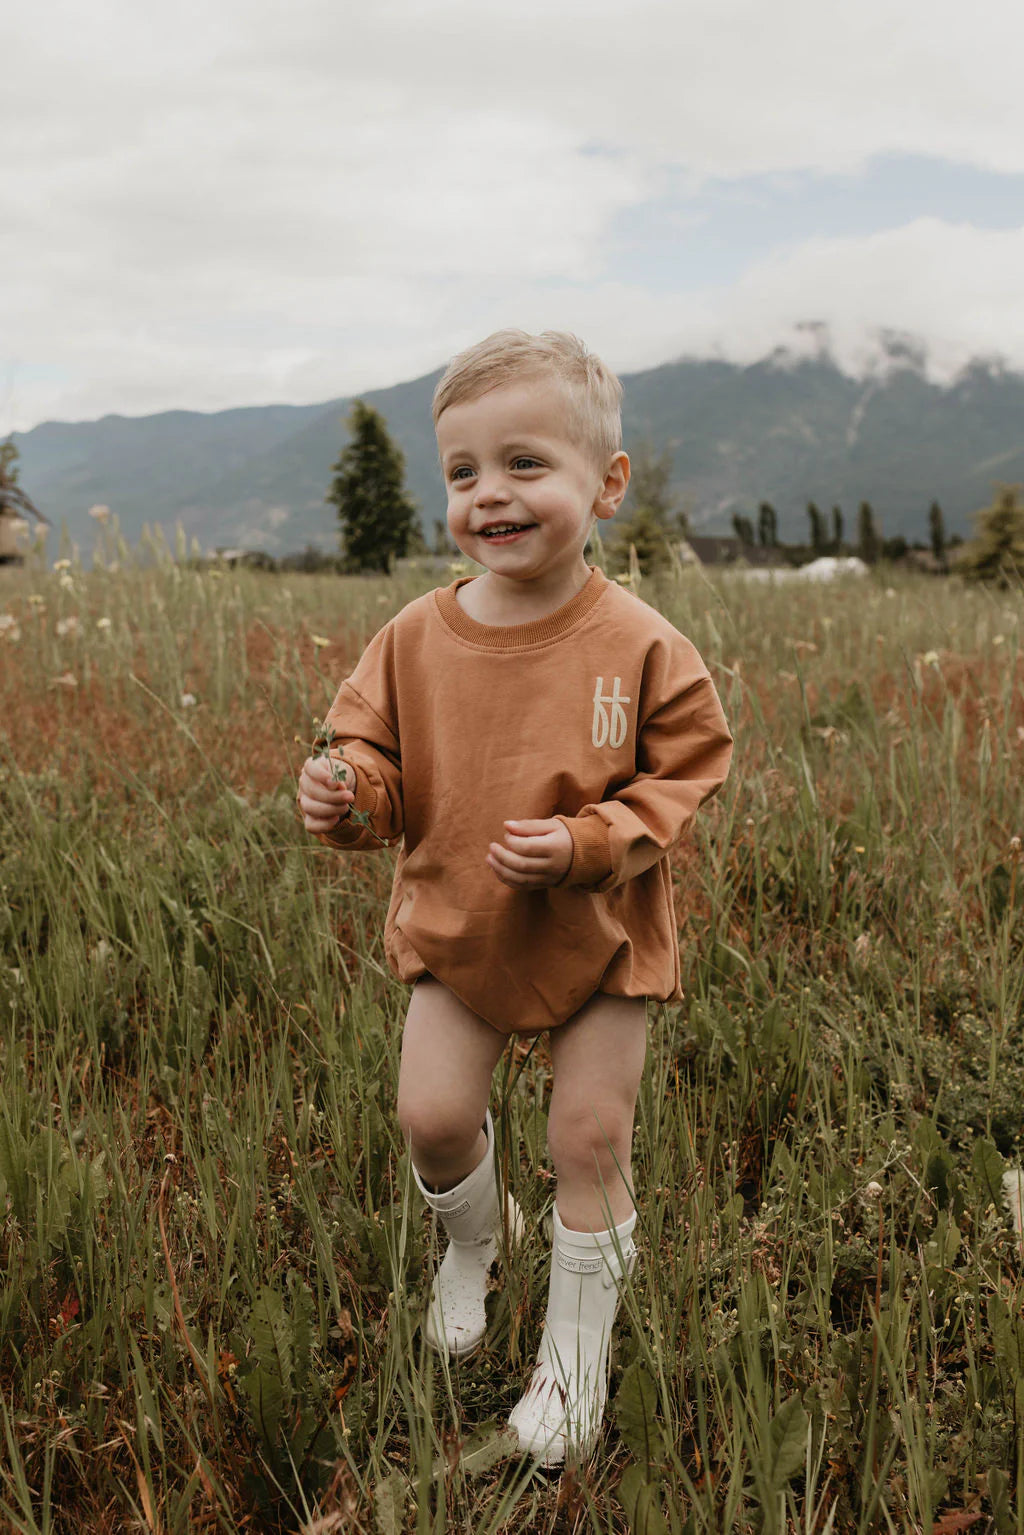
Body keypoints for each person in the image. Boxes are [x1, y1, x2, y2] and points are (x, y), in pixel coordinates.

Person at [297, 329, 732, 1465]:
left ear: (608, 482)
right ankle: (471, 1248)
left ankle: (573, 1359)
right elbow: (373, 765)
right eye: (462, 471)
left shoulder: (640, 642)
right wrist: (348, 795)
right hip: (461, 930)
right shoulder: (410, 640)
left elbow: (686, 768)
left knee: (590, 1136)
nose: (490, 494)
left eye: (525, 464)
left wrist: (595, 839)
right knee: (433, 1116)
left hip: (597, 936)